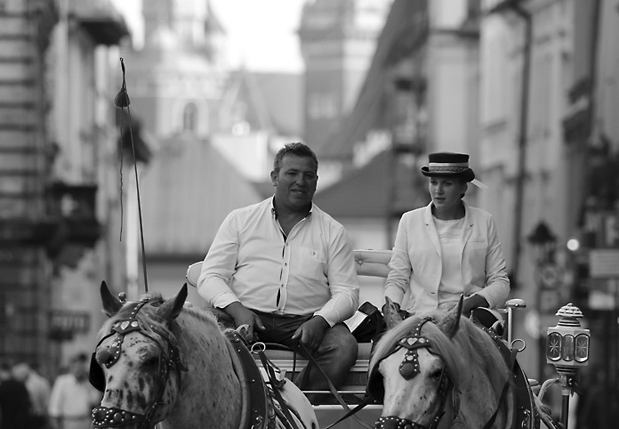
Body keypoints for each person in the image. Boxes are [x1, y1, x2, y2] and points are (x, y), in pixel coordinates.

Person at [197, 142, 359, 390]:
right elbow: (210, 277)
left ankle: (296, 410)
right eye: (291, 173)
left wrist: (321, 321)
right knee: (201, 337)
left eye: (308, 176)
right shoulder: (240, 220)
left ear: (316, 181)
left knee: (343, 347)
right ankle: (231, 413)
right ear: (275, 177)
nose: (300, 182)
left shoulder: (333, 231)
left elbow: (347, 293)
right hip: (244, 315)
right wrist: (238, 310)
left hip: (304, 323)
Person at [384, 152, 511, 319]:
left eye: (447, 183)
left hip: (471, 317)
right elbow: (397, 278)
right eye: (433, 182)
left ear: (463, 187)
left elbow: (500, 282)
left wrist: (472, 302)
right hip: (422, 316)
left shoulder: (484, 221)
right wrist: (393, 309)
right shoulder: (410, 221)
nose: (438, 190)